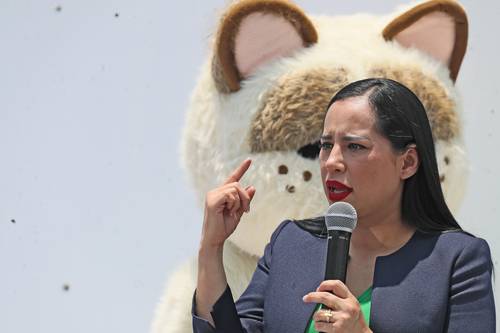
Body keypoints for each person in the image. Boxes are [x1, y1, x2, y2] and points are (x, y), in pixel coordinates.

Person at [192, 78, 496, 332]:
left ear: (408, 162)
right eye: (326, 146)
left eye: (355, 146)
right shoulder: (291, 244)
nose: (332, 162)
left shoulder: (458, 260)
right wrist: (211, 247)